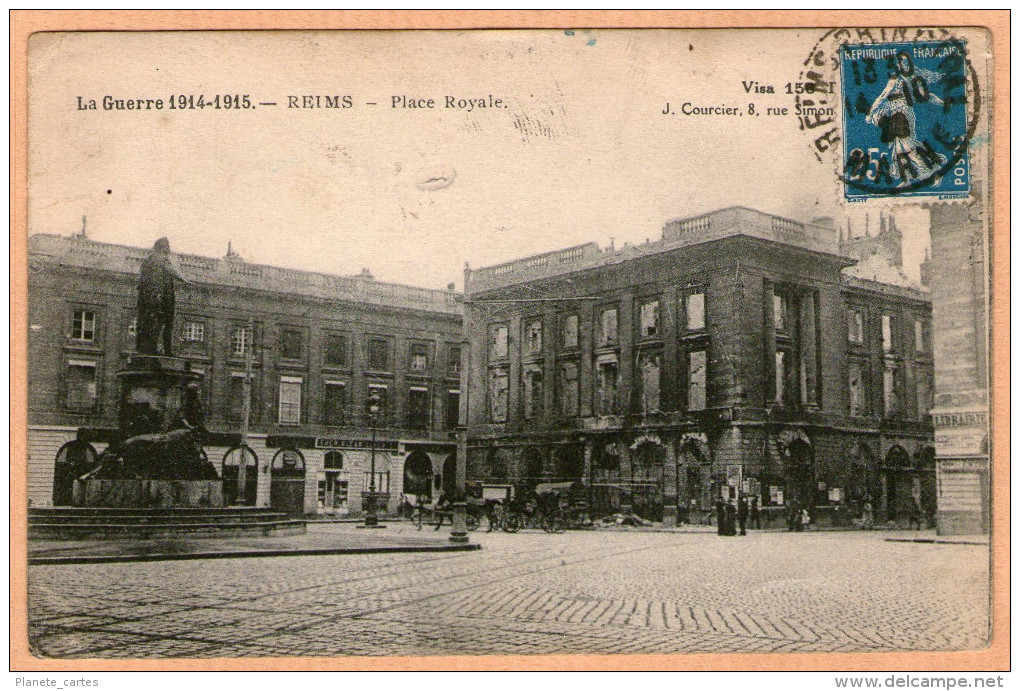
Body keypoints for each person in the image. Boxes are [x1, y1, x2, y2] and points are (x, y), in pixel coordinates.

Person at [136, 237, 189, 356]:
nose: (169, 249)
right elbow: (173, 272)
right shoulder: (161, 259)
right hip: (163, 299)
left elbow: (139, 281)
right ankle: (167, 350)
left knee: (148, 324)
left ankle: (148, 349)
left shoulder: (146, 261)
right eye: (167, 246)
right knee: (166, 324)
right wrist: (185, 280)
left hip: (147, 300)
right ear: (162, 248)